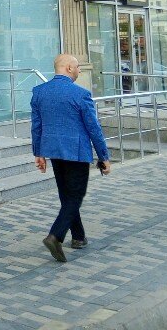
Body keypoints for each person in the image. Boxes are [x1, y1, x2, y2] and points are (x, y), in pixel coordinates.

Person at [31, 53, 111, 263]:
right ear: (68, 68)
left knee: (67, 196)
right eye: (77, 67)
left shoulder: (39, 92)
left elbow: (37, 126)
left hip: (54, 151)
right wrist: (103, 156)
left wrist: (38, 153)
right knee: (75, 196)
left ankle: (78, 237)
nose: (79, 70)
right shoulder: (81, 94)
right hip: (76, 152)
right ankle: (55, 236)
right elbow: (93, 128)